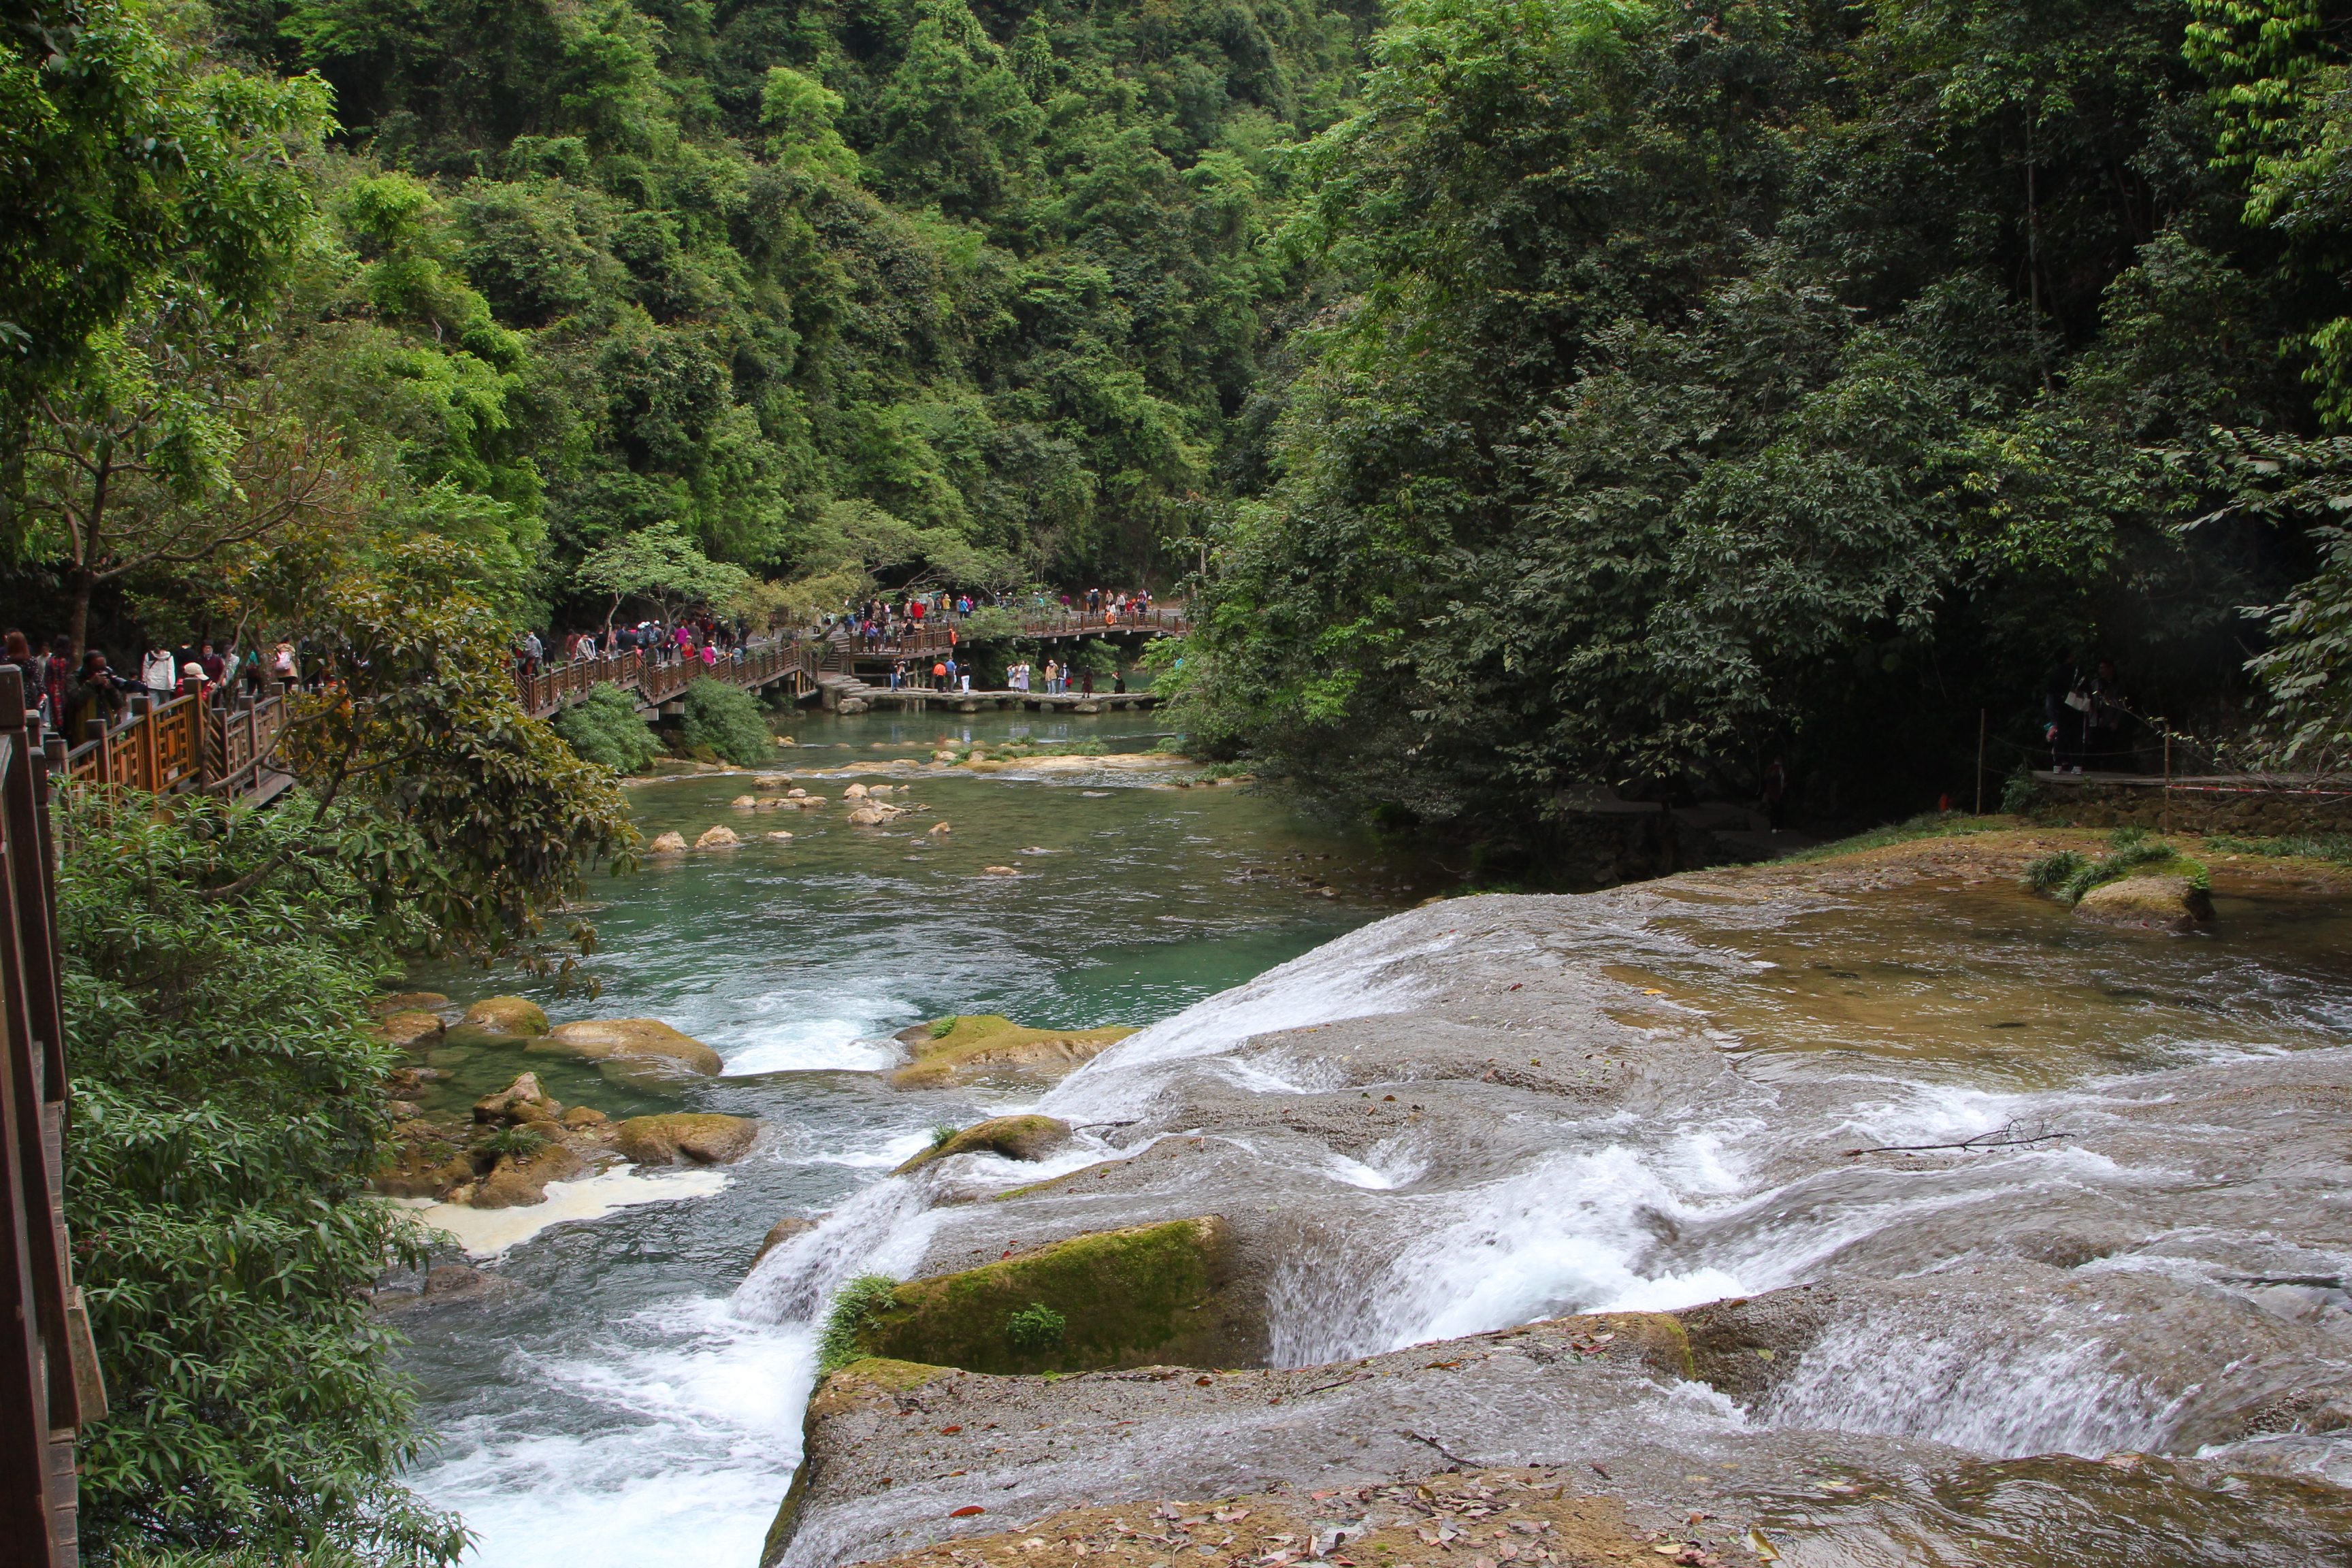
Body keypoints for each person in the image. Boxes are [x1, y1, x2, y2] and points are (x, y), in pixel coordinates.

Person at [2042, 655, 2088, 774]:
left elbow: (2050, 694)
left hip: (2061, 709)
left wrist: (2053, 711)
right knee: (2078, 737)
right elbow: (2086, 688)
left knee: (2061, 736)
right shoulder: (2077, 671)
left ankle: (2057, 765)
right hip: (2076, 707)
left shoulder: (2054, 673)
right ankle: (2077, 766)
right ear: (2069, 658)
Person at [2085, 660, 2132, 772]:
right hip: (2095, 719)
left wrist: (2116, 721)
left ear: (2111, 669)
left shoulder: (2118, 685)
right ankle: (2093, 769)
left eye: (2104, 668)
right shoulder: (2096, 683)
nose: (2102, 671)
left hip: (2109, 720)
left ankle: (2108, 768)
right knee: (2093, 745)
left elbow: (2122, 706)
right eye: (2100, 668)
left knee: (2109, 746)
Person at [69, 651, 125, 736]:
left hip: (109, 728)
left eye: (102, 669)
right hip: (87, 731)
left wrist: (111, 689)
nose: (100, 673)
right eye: (96, 669)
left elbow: (118, 705)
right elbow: (75, 701)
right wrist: (91, 683)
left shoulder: (106, 676)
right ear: (86, 667)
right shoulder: (74, 678)